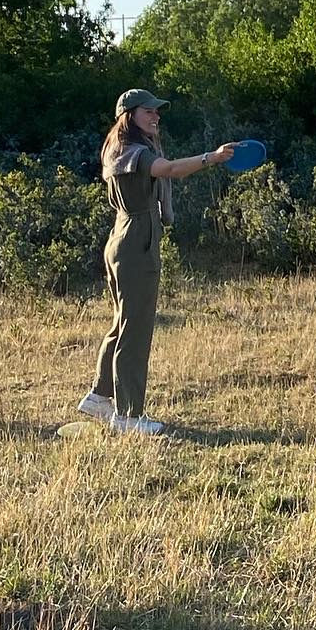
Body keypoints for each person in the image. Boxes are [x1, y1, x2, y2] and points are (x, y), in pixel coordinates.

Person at [79, 90, 237, 434]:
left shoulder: (119, 148)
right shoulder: (135, 151)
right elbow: (170, 169)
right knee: (136, 331)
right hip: (136, 241)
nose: (156, 117)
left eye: (156, 112)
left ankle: (99, 397)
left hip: (122, 237)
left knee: (124, 323)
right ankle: (129, 415)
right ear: (129, 116)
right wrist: (213, 157)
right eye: (148, 112)